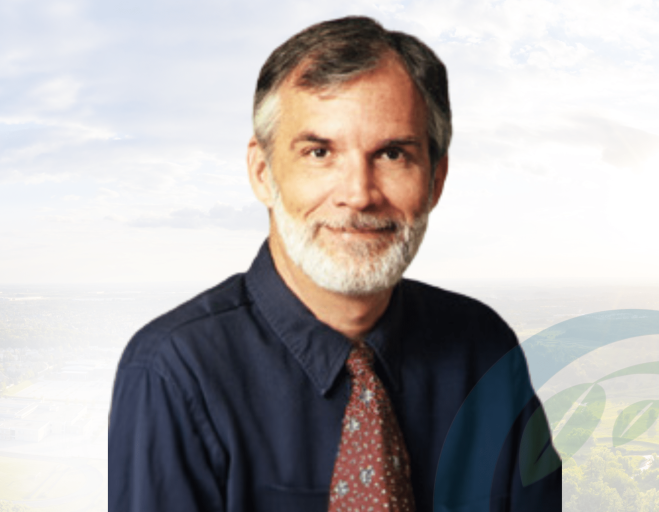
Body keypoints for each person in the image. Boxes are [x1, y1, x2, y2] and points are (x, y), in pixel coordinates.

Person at [108, 16, 561, 512]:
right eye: (319, 152)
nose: (358, 194)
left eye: (391, 154)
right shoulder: (173, 371)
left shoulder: (484, 349)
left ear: (435, 180)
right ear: (263, 173)